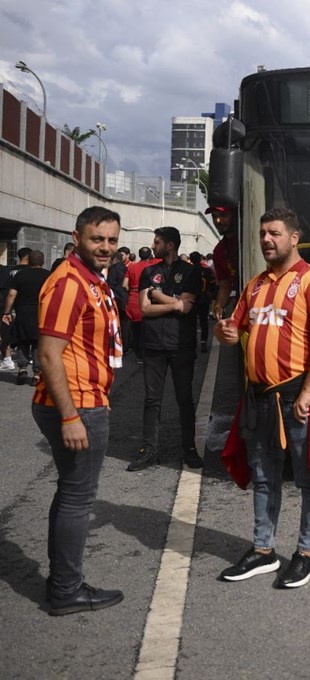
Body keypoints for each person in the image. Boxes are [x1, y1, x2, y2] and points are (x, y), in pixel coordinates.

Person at [216, 207, 310, 588]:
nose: (266, 239)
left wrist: (307, 392)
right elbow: (236, 330)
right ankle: (263, 550)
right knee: (264, 477)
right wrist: (227, 333)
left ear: (293, 237)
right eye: (262, 234)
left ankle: (306, 554)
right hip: (259, 399)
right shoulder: (255, 285)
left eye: (274, 233)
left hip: (295, 399)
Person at [32, 206, 124, 616]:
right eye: (96, 239)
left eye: (111, 240)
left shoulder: (91, 280)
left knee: (70, 494)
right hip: (77, 403)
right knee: (78, 500)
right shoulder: (69, 282)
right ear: (77, 237)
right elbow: (48, 355)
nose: (105, 247)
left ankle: (61, 581)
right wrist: (70, 417)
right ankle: (67, 590)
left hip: (83, 400)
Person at [127, 227, 202, 472]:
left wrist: (159, 296)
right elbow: (145, 309)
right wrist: (175, 303)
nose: (153, 244)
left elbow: (188, 308)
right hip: (153, 344)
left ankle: (189, 449)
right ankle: (149, 450)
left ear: (169, 245)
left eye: (157, 241)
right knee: (152, 399)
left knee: (184, 399)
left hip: (181, 344)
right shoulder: (149, 271)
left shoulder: (191, 271)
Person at [4, 250, 52, 385]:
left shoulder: (20, 275)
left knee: (22, 341)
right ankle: (37, 374)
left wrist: (7, 312)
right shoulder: (49, 276)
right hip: (41, 314)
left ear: (28, 261)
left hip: (22, 313)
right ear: (43, 262)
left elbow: (11, 295)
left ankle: (22, 369)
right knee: (38, 344)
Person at [124, 247, 160, 363]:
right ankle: (144, 353)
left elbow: (124, 285)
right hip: (146, 298)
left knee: (135, 329)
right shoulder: (151, 268)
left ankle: (137, 353)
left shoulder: (131, 267)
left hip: (133, 299)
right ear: (150, 255)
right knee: (147, 328)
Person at [0, 247, 32, 371]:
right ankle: (27, 357)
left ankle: (9, 358)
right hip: (27, 306)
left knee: (9, 332)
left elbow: (9, 292)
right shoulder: (31, 271)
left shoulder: (10, 271)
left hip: (11, 305)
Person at [207, 201, 238, 319]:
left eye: (223, 215)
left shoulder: (252, 239)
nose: (217, 221)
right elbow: (225, 285)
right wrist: (218, 306)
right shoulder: (219, 251)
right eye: (214, 216)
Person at [190, 250, 215, 352]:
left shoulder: (188, 270)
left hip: (192, 299)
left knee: (191, 322)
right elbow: (212, 284)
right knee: (203, 321)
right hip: (204, 298)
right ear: (200, 259)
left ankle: (192, 342)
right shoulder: (207, 270)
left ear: (191, 260)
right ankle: (203, 341)